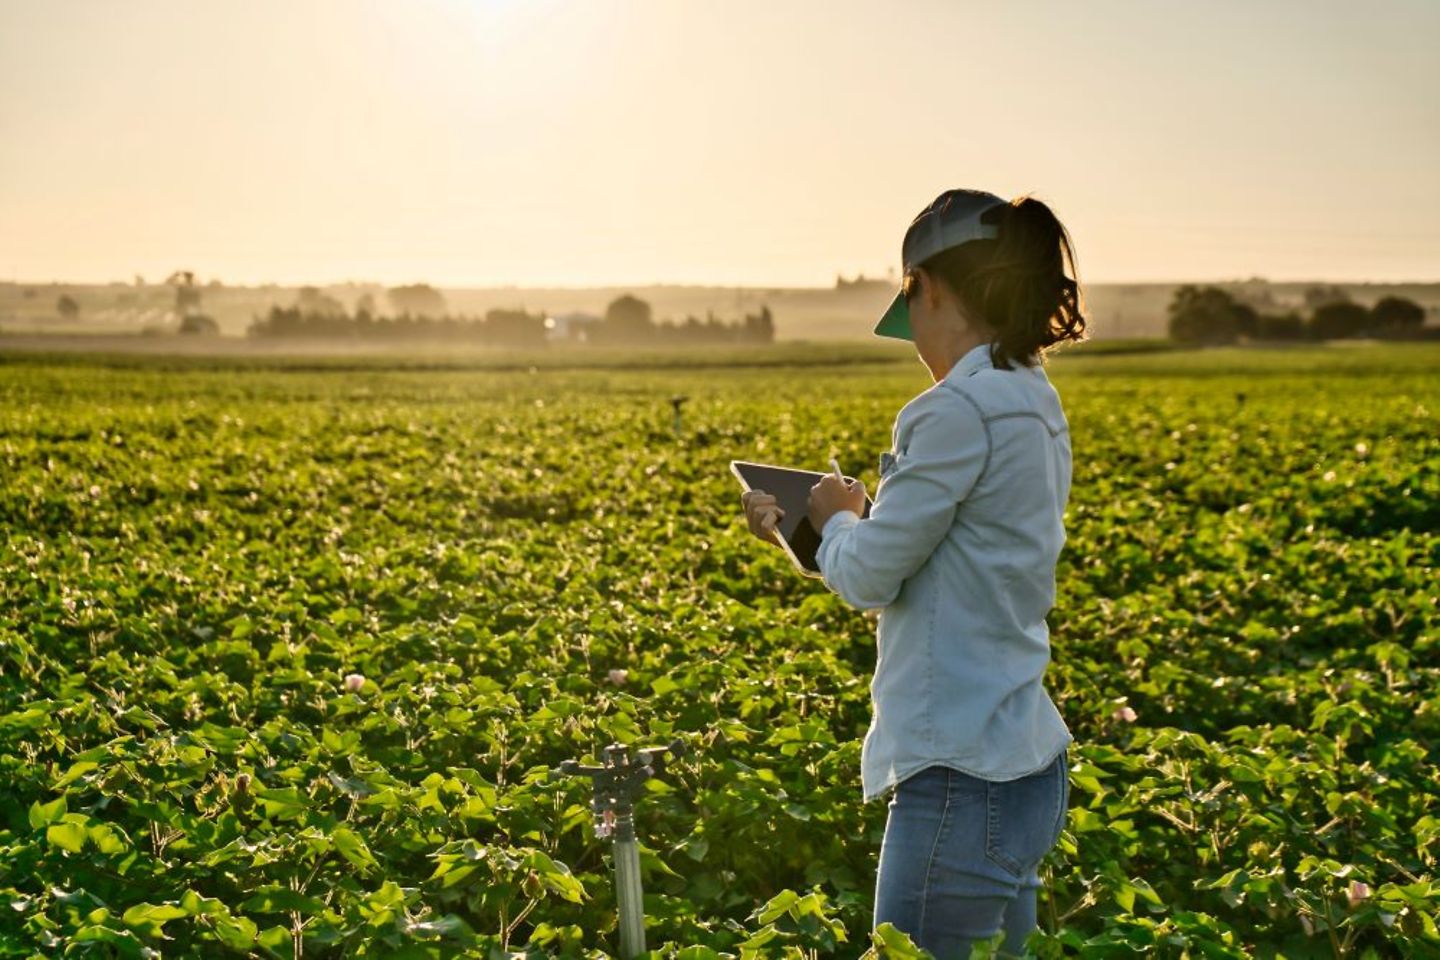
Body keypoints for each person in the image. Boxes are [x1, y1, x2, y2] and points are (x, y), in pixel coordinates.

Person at [740, 188, 1087, 958]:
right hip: (1023, 762)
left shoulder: (948, 410)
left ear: (927, 289)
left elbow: (868, 579)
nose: (917, 343)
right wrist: (822, 536)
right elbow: (932, 569)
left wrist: (833, 517)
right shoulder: (1033, 398)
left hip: (961, 777)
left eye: (913, 314)